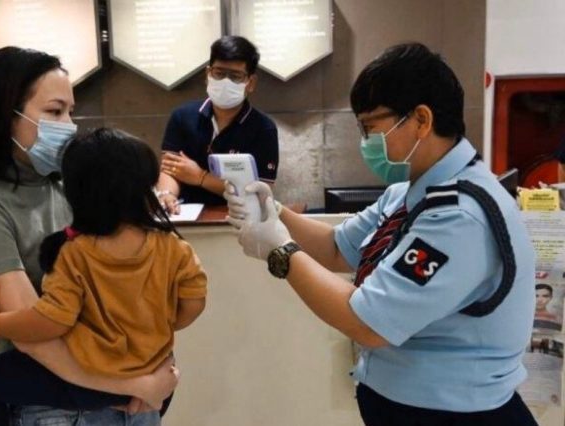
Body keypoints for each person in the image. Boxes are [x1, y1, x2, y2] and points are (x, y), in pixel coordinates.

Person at [225, 43, 537, 425]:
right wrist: (275, 212)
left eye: (371, 126)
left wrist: (281, 252)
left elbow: (369, 323)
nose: (365, 141)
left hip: (456, 416)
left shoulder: (459, 218)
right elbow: (338, 249)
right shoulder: (409, 192)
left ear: (421, 120)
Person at [0, 47, 181, 425]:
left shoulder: (71, 187)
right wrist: (135, 383)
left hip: (132, 398)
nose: (69, 126)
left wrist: (160, 367)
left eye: (71, 112)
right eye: (55, 111)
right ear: (5, 115)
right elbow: (33, 333)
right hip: (63, 407)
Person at [0, 128, 208, 425]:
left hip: (89, 378)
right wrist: (155, 323)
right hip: (153, 368)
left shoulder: (75, 254)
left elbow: (52, 321)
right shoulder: (174, 247)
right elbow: (193, 303)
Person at [155, 35, 279, 214]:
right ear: (208, 74)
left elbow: (260, 191)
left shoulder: (263, 128)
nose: (225, 82)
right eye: (219, 73)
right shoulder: (182, 117)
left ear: (250, 83)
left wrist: (201, 177)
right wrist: (167, 194)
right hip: (185, 215)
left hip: (239, 218)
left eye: (235, 76)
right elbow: (170, 168)